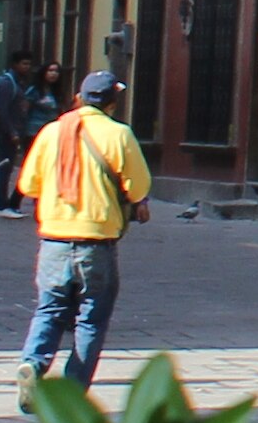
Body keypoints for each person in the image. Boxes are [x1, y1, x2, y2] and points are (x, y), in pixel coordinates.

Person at [13, 67, 156, 389]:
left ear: (79, 98)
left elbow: (28, 185)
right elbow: (138, 187)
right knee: (91, 318)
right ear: (112, 103)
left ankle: (32, 365)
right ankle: (72, 390)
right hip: (96, 241)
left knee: (49, 310)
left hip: (53, 238)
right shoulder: (119, 135)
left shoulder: (52, 132)